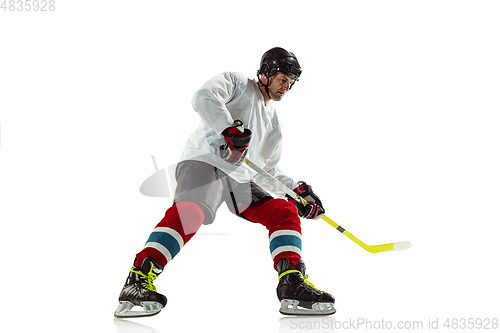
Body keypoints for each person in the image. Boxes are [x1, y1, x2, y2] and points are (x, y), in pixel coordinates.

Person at [114, 47, 336, 317]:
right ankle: (137, 279)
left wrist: (295, 193)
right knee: (192, 213)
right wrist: (227, 129)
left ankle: (291, 283)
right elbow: (202, 97)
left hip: (239, 180)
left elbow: (266, 168)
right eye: (282, 78)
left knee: (283, 211)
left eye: (291, 83)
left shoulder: (273, 124)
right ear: (265, 73)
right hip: (205, 162)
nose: (286, 87)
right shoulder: (238, 84)